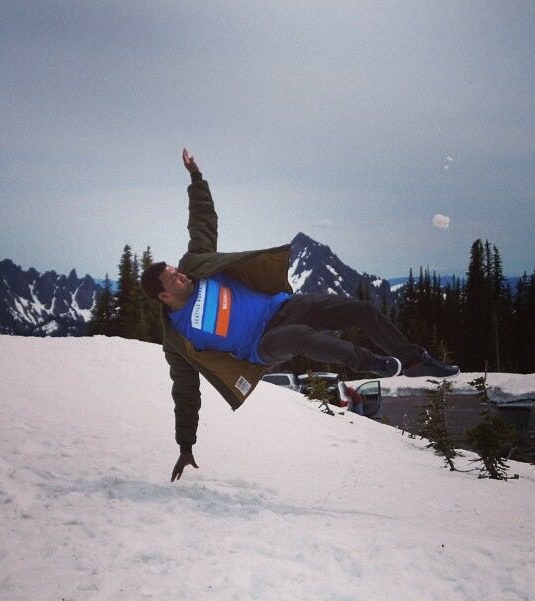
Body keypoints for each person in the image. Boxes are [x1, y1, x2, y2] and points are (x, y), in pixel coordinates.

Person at [140, 149, 460, 482]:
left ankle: (413, 360)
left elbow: (202, 221)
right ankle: (372, 363)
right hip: (260, 345)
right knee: (297, 338)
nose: (182, 276)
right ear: (164, 296)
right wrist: (186, 445)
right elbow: (185, 391)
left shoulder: (196, 265)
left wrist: (196, 177)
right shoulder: (177, 338)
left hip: (280, 306)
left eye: (177, 271)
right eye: (174, 279)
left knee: (360, 310)